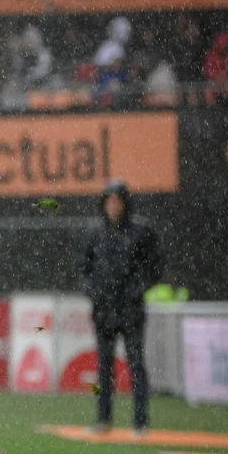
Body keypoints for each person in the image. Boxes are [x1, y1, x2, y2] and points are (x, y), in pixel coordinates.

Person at [78, 180, 163, 436]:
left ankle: (140, 421)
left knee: (136, 363)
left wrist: (136, 291)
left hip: (131, 310)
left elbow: (155, 267)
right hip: (104, 310)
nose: (113, 205)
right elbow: (83, 269)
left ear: (125, 203)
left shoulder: (141, 232)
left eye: (117, 200)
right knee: (104, 367)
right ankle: (103, 419)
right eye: (109, 200)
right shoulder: (95, 233)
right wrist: (94, 292)